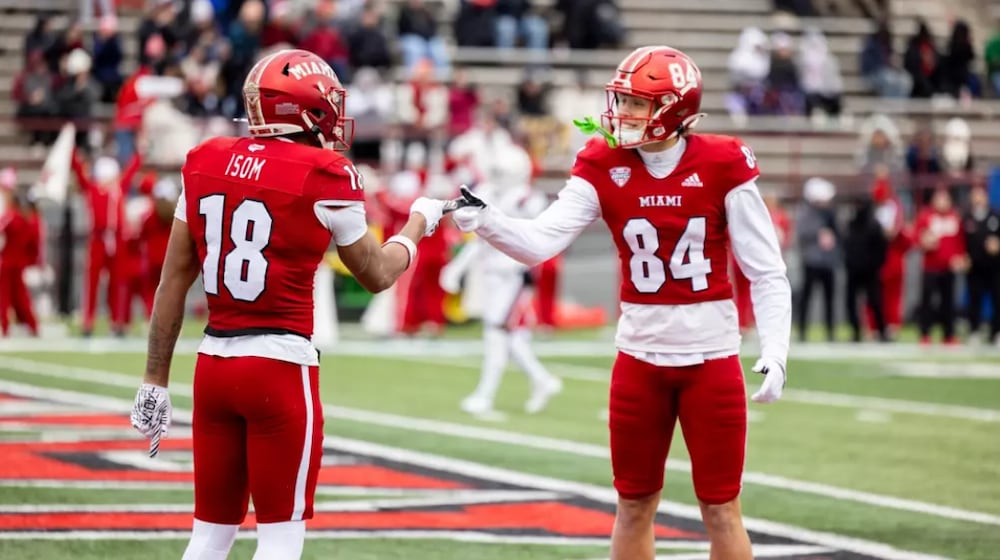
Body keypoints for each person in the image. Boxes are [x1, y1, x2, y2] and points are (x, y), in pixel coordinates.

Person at [448, 46, 791, 560]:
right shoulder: (603, 161)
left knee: (721, 509)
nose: (622, 114)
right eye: (622, 101)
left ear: (673, 110)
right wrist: (488, 220)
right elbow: (541, 241)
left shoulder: (722, 162)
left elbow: (766, 270)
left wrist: (776, 348)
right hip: (639, 359)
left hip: (711, 360)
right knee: (632, 505)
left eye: (635, 104)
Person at [128, 49, 447, 560]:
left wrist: (153, 379)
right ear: (305, 110)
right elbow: (378, 274)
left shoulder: (205, 160)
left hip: (212, 366)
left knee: (209, 535)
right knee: (280, 539)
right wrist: (418, 224)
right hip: (278, 367)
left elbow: (172, 283)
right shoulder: (325, 172)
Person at [440, 144, 562, 419]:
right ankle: (542, 380)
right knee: (512, 337)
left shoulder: (528, 200)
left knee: (496, 332)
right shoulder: (488, 192)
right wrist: (457, 268)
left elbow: (532, 239)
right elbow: (480, 238)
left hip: (515, 274)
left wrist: (458, 269)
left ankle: (485, 395)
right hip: (492, 272)